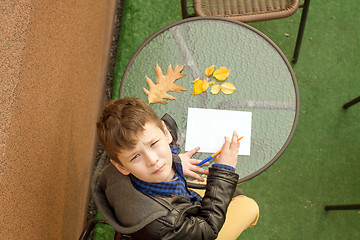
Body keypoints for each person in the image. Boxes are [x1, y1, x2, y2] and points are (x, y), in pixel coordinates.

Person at [95, 97, 259, 240]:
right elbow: (207, 230)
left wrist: (175, 160)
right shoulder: (161, 224)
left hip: (177, 207)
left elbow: (154, 130)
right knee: (249, 207)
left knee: (234, 193)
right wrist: (224, 170)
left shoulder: (126, 158)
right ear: (121, 167)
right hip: (190, 229)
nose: (153, 161)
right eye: (136, 157)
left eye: (153, 144)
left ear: (165, 133)